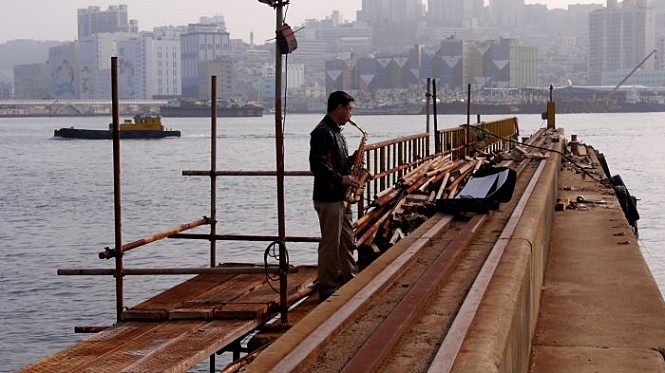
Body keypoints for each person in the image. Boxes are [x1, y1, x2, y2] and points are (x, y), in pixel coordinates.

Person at [309, 91, 359, 302]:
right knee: (331, 244)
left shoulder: (336, 132)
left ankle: (351, 281)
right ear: (339, 108)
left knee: (346, 241)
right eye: (349, 109)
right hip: (329, 197)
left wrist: (352, 160)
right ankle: (328, 288)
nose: (350, 114)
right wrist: (341, 179)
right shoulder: (322, 132)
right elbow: (317, 165)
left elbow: (335, 163)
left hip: (340, 197)